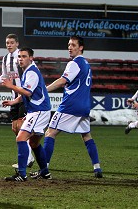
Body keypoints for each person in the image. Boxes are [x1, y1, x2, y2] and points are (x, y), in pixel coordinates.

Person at [43, 36, 103, 178]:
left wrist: (44, 90)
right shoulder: (87, 65)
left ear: (80, 47)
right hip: (84, 106)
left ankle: (43, 168)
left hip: (70, 105)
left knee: (50, 133)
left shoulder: (74, 63)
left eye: (73, 45)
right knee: (86, 135)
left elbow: (62, 81)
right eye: (69, 45)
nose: (70, 47)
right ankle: (97, 167)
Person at [0, 34, 35, 171]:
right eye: (7, 43)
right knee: (15, 128)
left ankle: (27, 159)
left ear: (17, 43)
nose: (9, 45)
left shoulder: (21, 58)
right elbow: (4, 77)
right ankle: (30, 156)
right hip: (14, 97)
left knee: (22, 127)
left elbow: (31, 74)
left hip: (24, 97)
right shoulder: (5, 59)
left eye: (11, 42)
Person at [1, 47, 51, 182]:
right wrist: (13, 102)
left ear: (31, 58)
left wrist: (11, 86)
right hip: (39, 111)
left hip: (38, 111)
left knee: (21, 138)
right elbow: (25, 94)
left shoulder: (32, 73)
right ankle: (45, 172)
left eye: (24, 56)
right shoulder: (28, 71)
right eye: (19, 57)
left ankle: (22, 174)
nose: (21, 59)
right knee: (34, 143)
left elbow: (27, 92)